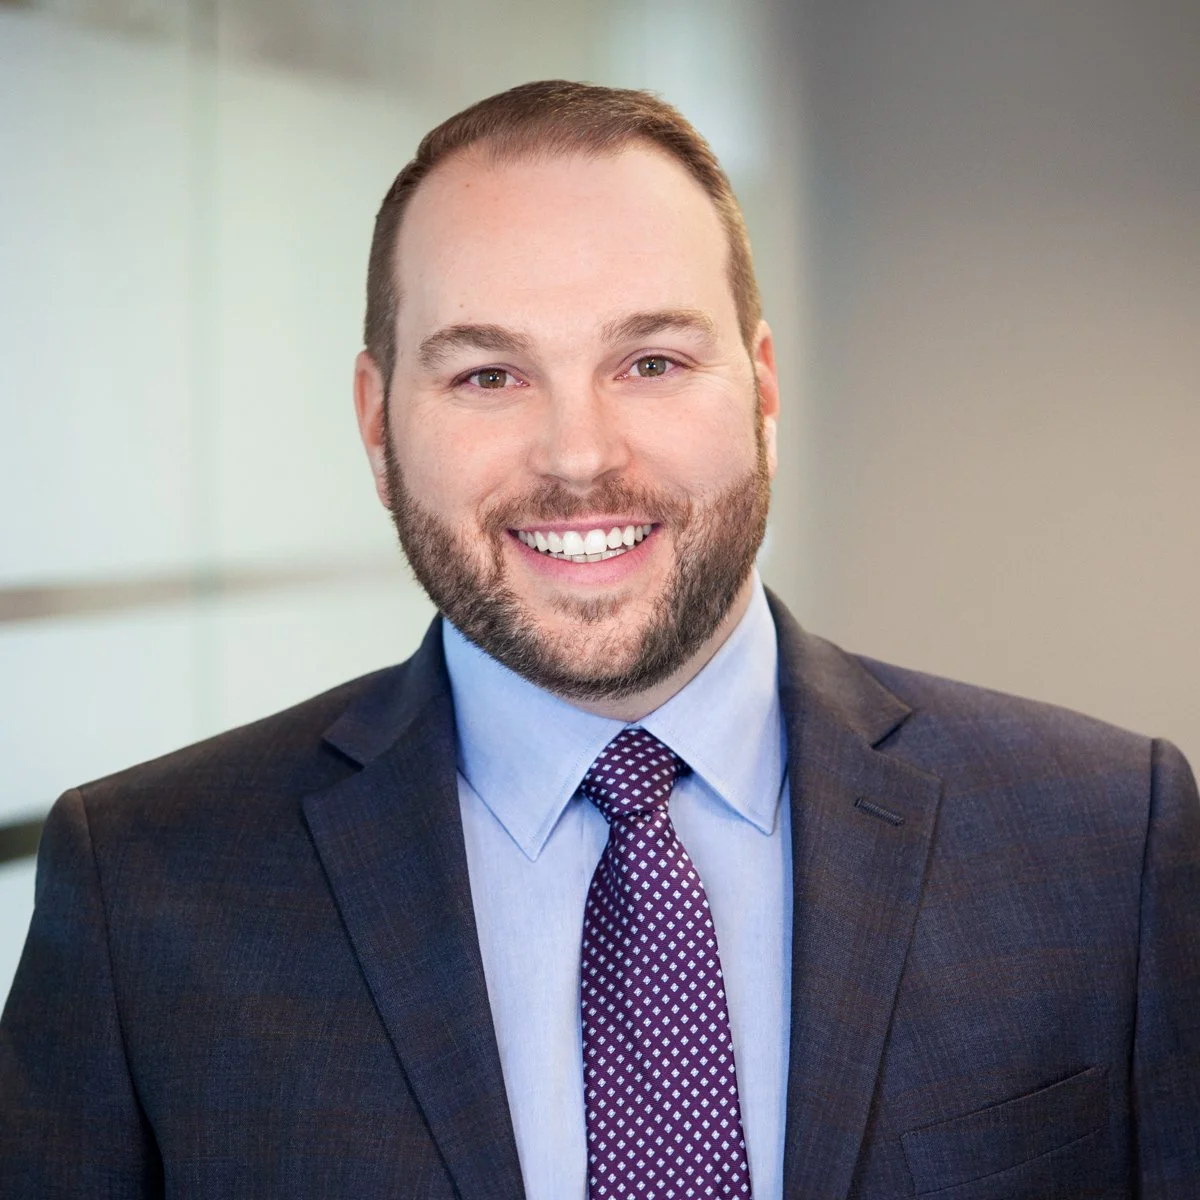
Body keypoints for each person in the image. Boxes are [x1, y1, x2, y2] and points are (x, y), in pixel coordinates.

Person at [1, 79, 1197, 1200]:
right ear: (377, 426)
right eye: (487, 376)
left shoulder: (1106, 840)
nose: (579, 458)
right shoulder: (145, 889)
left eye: (653, 362)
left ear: (763, 390)